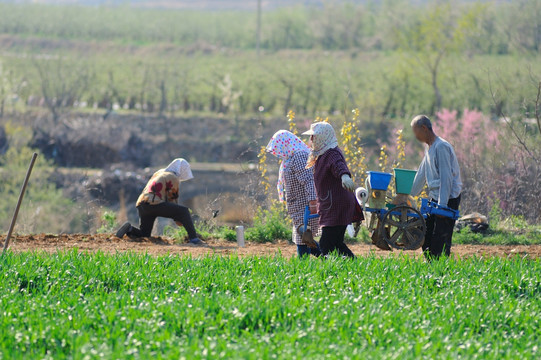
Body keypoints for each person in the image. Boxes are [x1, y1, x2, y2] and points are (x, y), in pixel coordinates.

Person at [302, 122, 363, 258]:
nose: (311, 140)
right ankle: (352, 264)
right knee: (336, 242)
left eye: (313, 137)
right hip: (332, 203)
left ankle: (330, 268)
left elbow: (339, 166)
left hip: (337, 204)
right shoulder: (323, 154)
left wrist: (345, 176)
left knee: (326, 243)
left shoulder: (332, 153)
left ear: (322, 137)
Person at [410, 115, 462, 258]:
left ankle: (441, 271)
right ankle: (432, 268)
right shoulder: (430, 149)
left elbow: (447, 178)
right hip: (435, 198)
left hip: (448, 199)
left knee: (440, 239)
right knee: (426, 236)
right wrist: (407, 196)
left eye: (416, 132)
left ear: (424, 128)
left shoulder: (441, 147)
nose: (415, 136)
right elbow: (421, 175)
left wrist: (442, 205)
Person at [115, 158, 203, 244]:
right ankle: (194, 238)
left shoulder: (159, 173)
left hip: (142, 203)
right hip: (154, 203)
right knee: (184, 211)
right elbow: (172, 199)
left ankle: (130, 229)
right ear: (181, 170)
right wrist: (178, 218)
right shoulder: (173, 177)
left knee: (145, 234)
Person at [266, 130, 321, 258]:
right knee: (303, 238)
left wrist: (313, 202)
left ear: (286, 144)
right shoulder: (290, 157)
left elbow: (308, 181)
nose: (277, 153)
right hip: (297, 206)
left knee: (302, 239)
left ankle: (305, 266)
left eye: (278, 149)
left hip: (304, 205)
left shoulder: (299, 156)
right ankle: (328, 259)